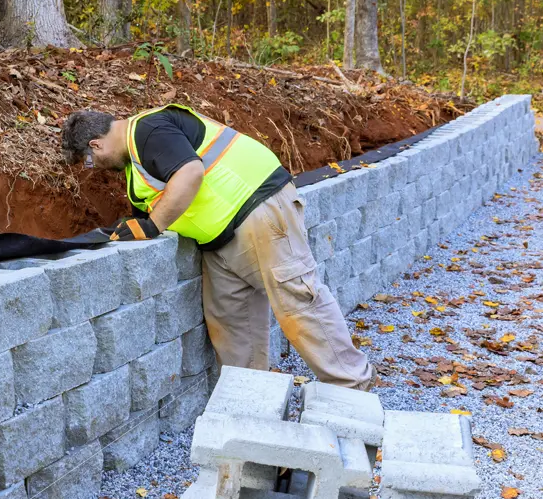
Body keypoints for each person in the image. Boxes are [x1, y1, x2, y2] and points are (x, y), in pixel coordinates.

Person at [60, 104, 376, 391]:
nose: (94, 167)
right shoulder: (136, 163)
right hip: (221, 242)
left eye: (88, 162)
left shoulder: (147, 130)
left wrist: (152, 225)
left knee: (298, 300)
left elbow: (189, 172)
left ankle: (353, 388)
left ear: (95, 144)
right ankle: (250, 406)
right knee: (231, 324)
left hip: (258, 211)